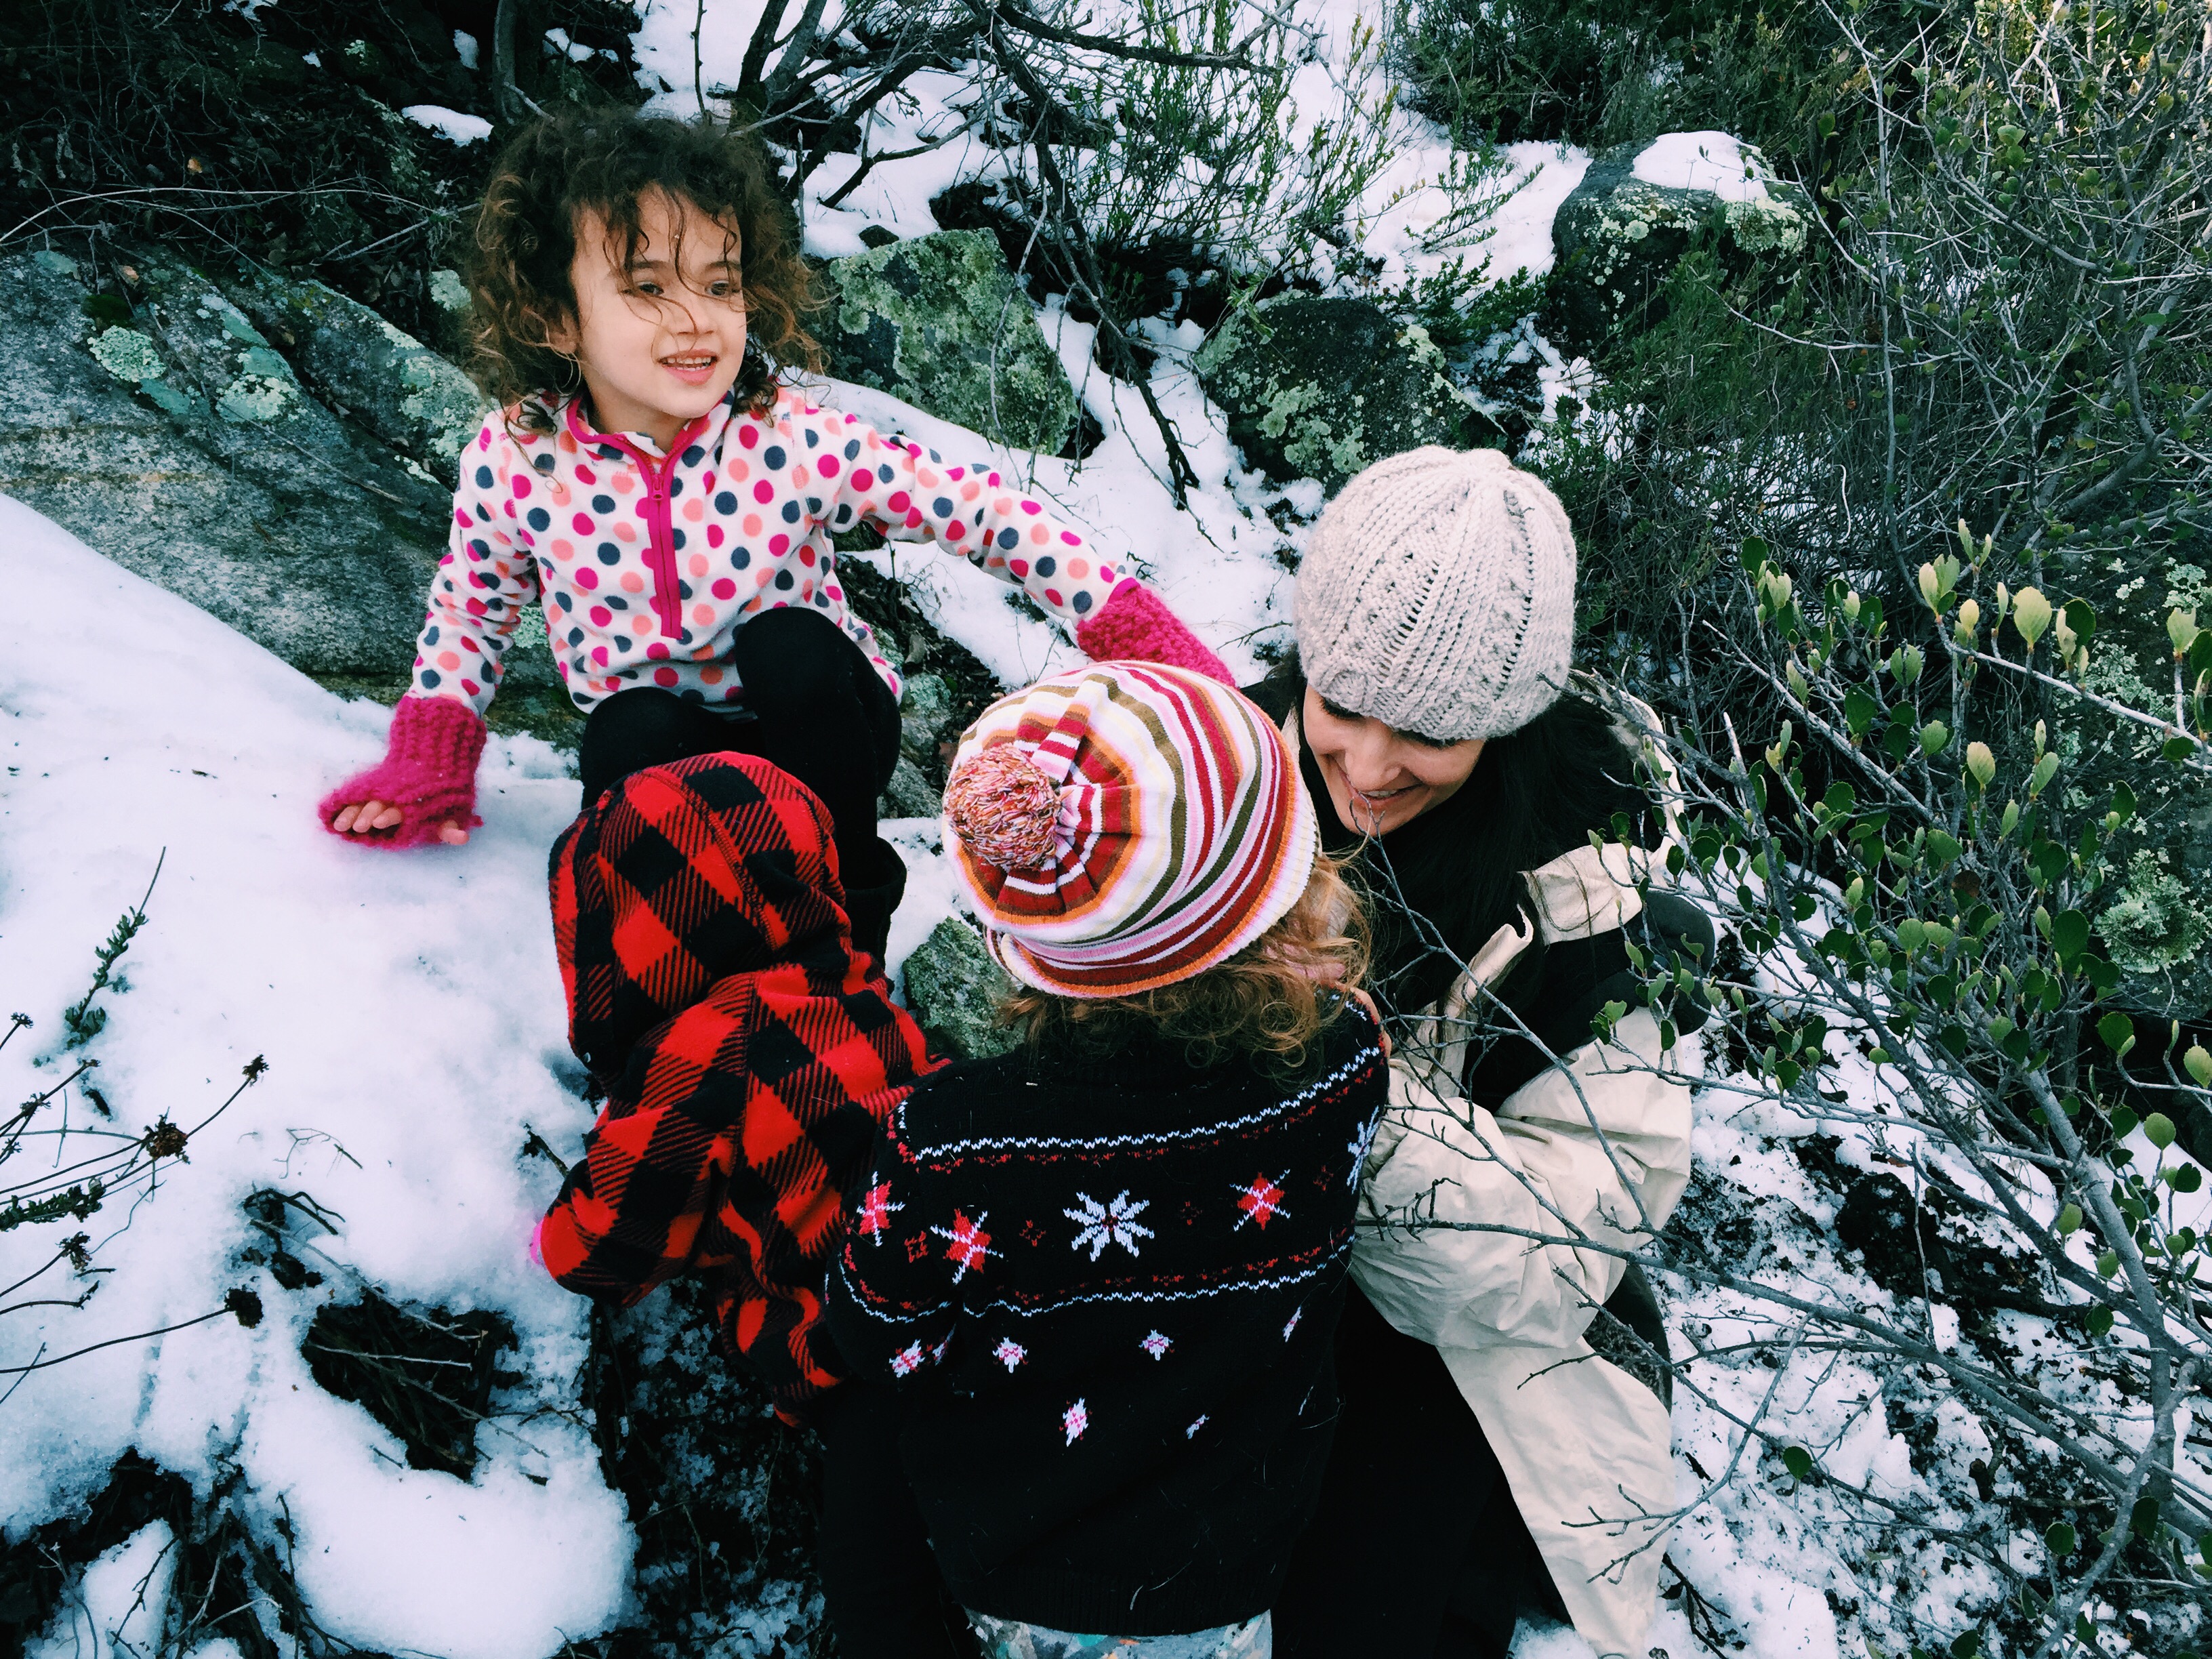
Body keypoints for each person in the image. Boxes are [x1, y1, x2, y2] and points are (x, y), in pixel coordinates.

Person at [316, 108, 1225, 962]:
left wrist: (1127, 624)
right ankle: (672, 970)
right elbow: (470, 608)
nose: (696, 317)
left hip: (818, 732)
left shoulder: (786, 438)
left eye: (720, 283)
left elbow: (979, 510)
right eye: (645, 288)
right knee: (625, 731)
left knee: (788, 644)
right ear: (554, 318)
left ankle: (844, 934)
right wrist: (430, 752)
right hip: (676, 756)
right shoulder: (518, 460)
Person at [1228, 447, 1708, 1659]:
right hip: (1240, 1247)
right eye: (1341, 707)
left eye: (1431, 734)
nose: (1371, 772)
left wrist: (1346, 1082)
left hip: (1457, 1335)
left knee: (1374, 1582)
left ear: (1507, 725)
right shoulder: (1236, 766)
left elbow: (1566, 1254)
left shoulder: (1611, 926)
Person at [825, 661, 1391, 1659]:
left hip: (1010, 1564)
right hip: (1234, 1567)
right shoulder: (1342, 1072)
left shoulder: (950, 1145)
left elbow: (871, 1339)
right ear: (1288, 905)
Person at [533, 750, 970, 1658]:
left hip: (868, 1364)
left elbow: (606, 1251)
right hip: (969, 1299)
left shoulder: (702, 1054)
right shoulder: (857, 990)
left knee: (878, 1599)